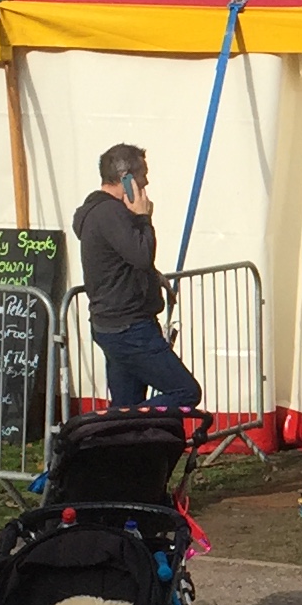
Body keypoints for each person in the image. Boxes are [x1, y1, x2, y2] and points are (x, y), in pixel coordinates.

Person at [74, 142, 203, 410]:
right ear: (127, 178)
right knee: (185, 391)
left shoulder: (100, 214)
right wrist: (144, 218)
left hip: (115, 325)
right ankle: (131, 420)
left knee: (125, 402)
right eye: (142, 173)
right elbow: (141, 254)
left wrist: (152, 276)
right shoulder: (111, 213)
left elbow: (118, 259)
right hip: (129, 328)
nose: (147, 181)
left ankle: (123, 440)